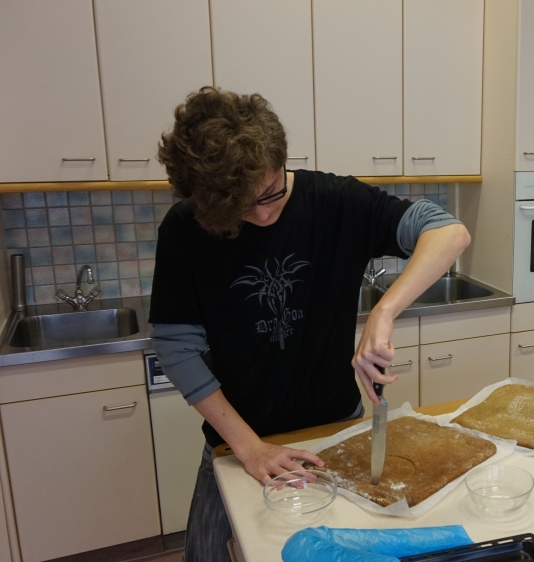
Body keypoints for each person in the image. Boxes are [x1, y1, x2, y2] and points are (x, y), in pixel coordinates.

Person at [148, 87, 470, 561]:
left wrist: (384, 311)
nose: (262, 214)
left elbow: (449, 232)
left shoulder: (335, 201)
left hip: (335, 431)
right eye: (241, 209)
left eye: (271, 193)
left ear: (282, 160)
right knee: (209, 554)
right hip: (237, 443)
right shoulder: (185, 227)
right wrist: (250, 448)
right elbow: (176, 348)